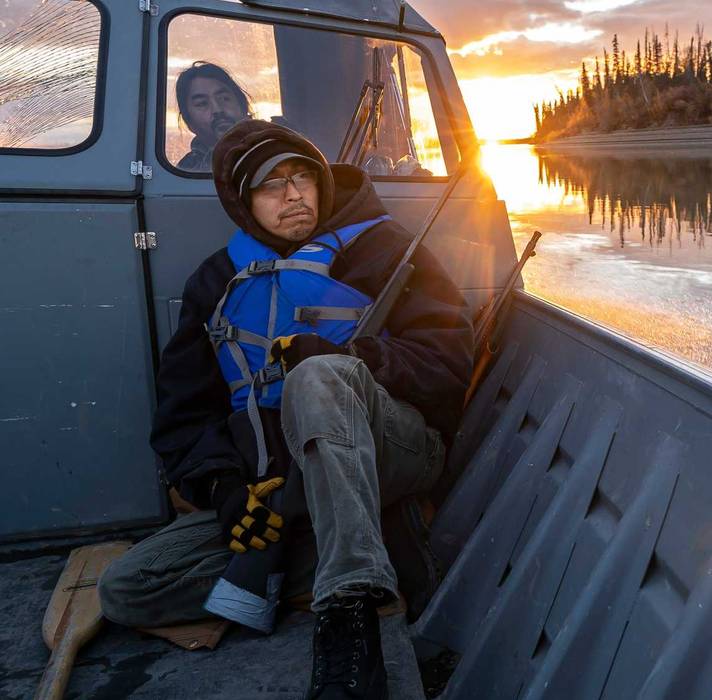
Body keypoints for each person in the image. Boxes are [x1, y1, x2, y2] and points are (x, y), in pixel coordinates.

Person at [99, 120, 474, 700]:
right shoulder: (216, 282)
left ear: (321, 183)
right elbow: (184, 410)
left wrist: (351, 354)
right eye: (271, 186)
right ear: (245, 204)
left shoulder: (387, 250)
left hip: (393, 451)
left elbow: (447, 366)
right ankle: (355, 547)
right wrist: (223, 488)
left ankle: (347, 620)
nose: (293, 194)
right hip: (274, 483)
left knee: (317, 377)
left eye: (302, 177)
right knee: (128, 588)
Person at [174, 61, 251, 171]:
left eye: (224, 98)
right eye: (202, 103)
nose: (217, 109)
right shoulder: (186, 169)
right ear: (189, 122)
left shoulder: (272, 149)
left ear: (243, 106)